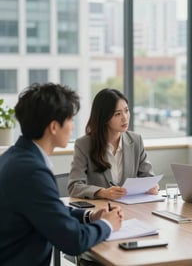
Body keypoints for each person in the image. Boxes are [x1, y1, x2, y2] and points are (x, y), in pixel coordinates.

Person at [0, 83, 124, 266]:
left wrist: (89, 216)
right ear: (53, 127)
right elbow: (74, 241)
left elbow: (49, 210)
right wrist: (108, 224)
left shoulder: (14, 157)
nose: (73, 127)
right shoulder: (32, 172)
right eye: (70, 120)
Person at [68, 88, 158, 200]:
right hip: (100, 210)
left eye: (126, 110)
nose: (125, 118)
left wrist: (151, 186)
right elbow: (74, 186)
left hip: (129, 209)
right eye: (117, 114)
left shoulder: (135, 141)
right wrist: (103, 192)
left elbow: (148, 177)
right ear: (104, 117)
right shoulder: (84, 144)